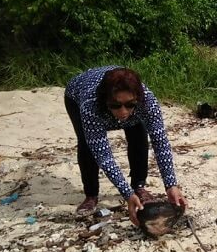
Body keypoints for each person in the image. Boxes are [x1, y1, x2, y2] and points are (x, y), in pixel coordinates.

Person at [64, 66, 188, 225]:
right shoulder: (91, 104)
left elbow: (160, 141)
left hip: (132, 106)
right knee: (87, 144)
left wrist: (171, 185)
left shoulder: (147, 101)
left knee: (138, 133)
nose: (123, 112)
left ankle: (139, 185)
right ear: (107, 101)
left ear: (137, 99)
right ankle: (91, 195)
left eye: (129, 104)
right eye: (116, 105)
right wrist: (127, 195)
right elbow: (104, 156)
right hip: (76, 95)